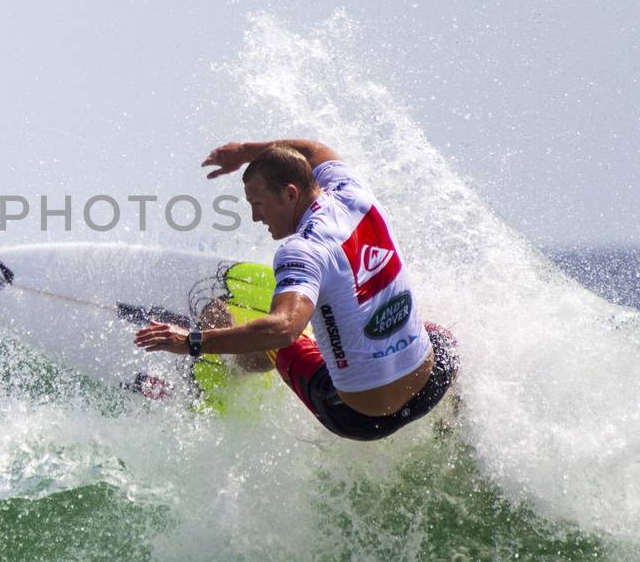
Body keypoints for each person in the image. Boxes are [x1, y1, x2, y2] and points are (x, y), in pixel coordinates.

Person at [134, 139, 459, 440]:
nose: (254, 216)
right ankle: (452, 428)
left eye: (259, 204)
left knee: (286, 343)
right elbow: (314, 149)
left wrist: (190, 341)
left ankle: (236, 365)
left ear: (290, 194)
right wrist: (247, 151)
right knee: (441, 336)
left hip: (360, 417)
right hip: (430, 384)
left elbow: (283, 328)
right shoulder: (354, 193)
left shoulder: (303, 249)